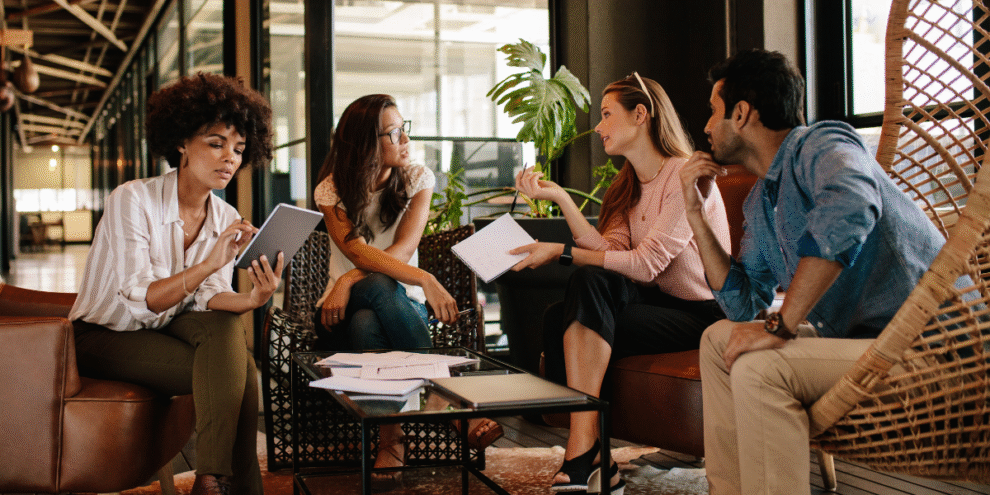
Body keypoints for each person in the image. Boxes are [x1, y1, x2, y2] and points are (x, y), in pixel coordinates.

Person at [678, 49, 948, 495]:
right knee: (717, 340)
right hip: (868, 344)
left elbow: (851, 204)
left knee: (761, 369)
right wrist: (695, 216)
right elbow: (744, 305)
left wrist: (783, 324)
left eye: (713, 111)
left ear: (741, 114)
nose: (705, 127)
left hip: (935, 345)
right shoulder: (762, 203)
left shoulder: (821, 144)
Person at [510, 73, 731, 494]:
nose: (598, 126)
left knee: (578, 296)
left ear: (641, 114)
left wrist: (560, 252)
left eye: (607, 115)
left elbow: (646, 265)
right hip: (658, 306)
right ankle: (593, 454)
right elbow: (609, 252)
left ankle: (583, 450)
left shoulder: (685, 175)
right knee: (567, 309)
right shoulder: (626, 184)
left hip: (701, 313)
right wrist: (560, 199)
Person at [68, 73, 280, 495]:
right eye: (216, 143)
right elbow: (141, 299)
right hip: (105, 335)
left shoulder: (223, 216)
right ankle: (228, 485)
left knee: (226, 331)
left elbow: (208, 300)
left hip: (170, 324)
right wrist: (207, 265)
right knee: (239, 375)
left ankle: (212, 479)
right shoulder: (132, 199)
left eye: (238, 149)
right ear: (182, 142)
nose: (229, 159)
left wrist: (252, 298)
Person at [312, 94, 503, 488]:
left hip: (391, 305)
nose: (405, 139)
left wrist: (350, 277)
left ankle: (391, 439)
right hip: (337, 311)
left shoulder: (417, 179)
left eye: (404, 128)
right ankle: (449, 406)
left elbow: (400, 250)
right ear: (366, 143)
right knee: (371, 298)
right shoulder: (330, 190)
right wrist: (425, 279)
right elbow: (356, 251)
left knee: (369, 322)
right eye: (394, 132)